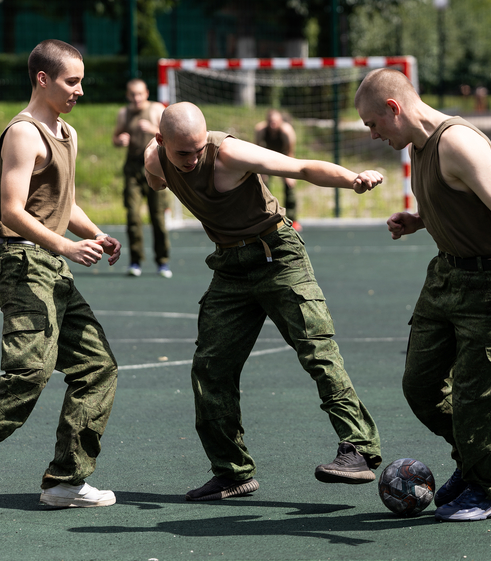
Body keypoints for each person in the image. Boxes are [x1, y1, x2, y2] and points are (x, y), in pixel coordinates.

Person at [143, 102, 383, 501]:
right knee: (210, 369)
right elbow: (156, 180)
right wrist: (159, 172)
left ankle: (359, 449)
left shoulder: (229, 153)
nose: (193, 159)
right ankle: (232, 472)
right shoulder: (155, 157)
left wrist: (352, 179)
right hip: (229, 267)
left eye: (199, 149)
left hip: (278, 255)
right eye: (183, 152)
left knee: (317, 351)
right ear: (160, 140)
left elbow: (301, 167)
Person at [0, 39, 121, 512]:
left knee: (97, 367)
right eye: (71, 81)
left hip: (51, 266)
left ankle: (66, 482)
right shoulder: (23, 132)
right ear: (43, 79)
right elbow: (12, 210)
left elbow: (62, 201)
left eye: (81, 81)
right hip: (19, 262)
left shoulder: (67, 133)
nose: (80, 90)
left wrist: (96, 234)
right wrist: (65, 245)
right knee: (31, 369)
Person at [354, 68, 491, 522]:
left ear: (394, 108)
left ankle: (488, 491)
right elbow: (458, 199)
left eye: (373, 124)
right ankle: (480, 454)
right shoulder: (416, 145)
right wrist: (420, 220)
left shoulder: (458, 143)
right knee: (419, 386)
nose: (373, 134)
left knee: (473, 398)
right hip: (446, 277)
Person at [112, 78, 173, 278]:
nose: (136, 98)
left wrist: (153, 130)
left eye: (140, 94)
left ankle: (162, 262)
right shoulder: (124, 113)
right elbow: (115, 138)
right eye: (132, 94)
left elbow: (171, 136)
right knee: (133, 216)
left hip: (155, 168)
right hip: (133, 170)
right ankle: (135, 261)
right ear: (128, 96)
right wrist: (120, 140)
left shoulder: (156, 109)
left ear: (146, 93)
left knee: (158, 217)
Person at [254, 109, 301, 231]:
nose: (272, 125)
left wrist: (289, 174)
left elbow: (290, 152)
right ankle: (265, 218)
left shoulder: (287, 131)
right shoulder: (260, 130)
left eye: (275, 122)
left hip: (283, 156)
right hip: (267, 156)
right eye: (270, 122)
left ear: (280, 121)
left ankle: (292, 219)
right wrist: (260, 171)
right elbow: (256, 151)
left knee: (289, 185)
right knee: (261, 185)